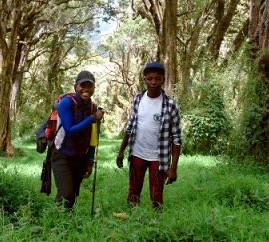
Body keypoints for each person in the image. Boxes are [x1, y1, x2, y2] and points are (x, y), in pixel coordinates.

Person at [116, 61, 182, 209]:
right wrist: (121, 151)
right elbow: (129, 128)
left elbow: (177, 139)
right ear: (144, 79)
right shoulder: (138, 100)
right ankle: (133, 220)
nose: (153, 82)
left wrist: (173, 168)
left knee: (157, 195)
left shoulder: (171, 105)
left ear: (163, 80)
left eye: (157, 78)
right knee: (133, 191)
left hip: (158, 158)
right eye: (150, 78)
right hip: (137, 154)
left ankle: (156, 225)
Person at [50, 70, 104, 210]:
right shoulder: (67, 103)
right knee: (66, 193)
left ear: (93, 89)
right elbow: (70, 130)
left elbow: (92, 139)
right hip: (61, 153)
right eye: (82, 85)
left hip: (80, 157)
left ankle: (67, 224)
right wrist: (92, 118)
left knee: (73, 194)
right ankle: (57, 221)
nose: (86, 89)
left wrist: (90, 161)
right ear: (75, 87)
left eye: (89, 86)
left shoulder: (93, 107)